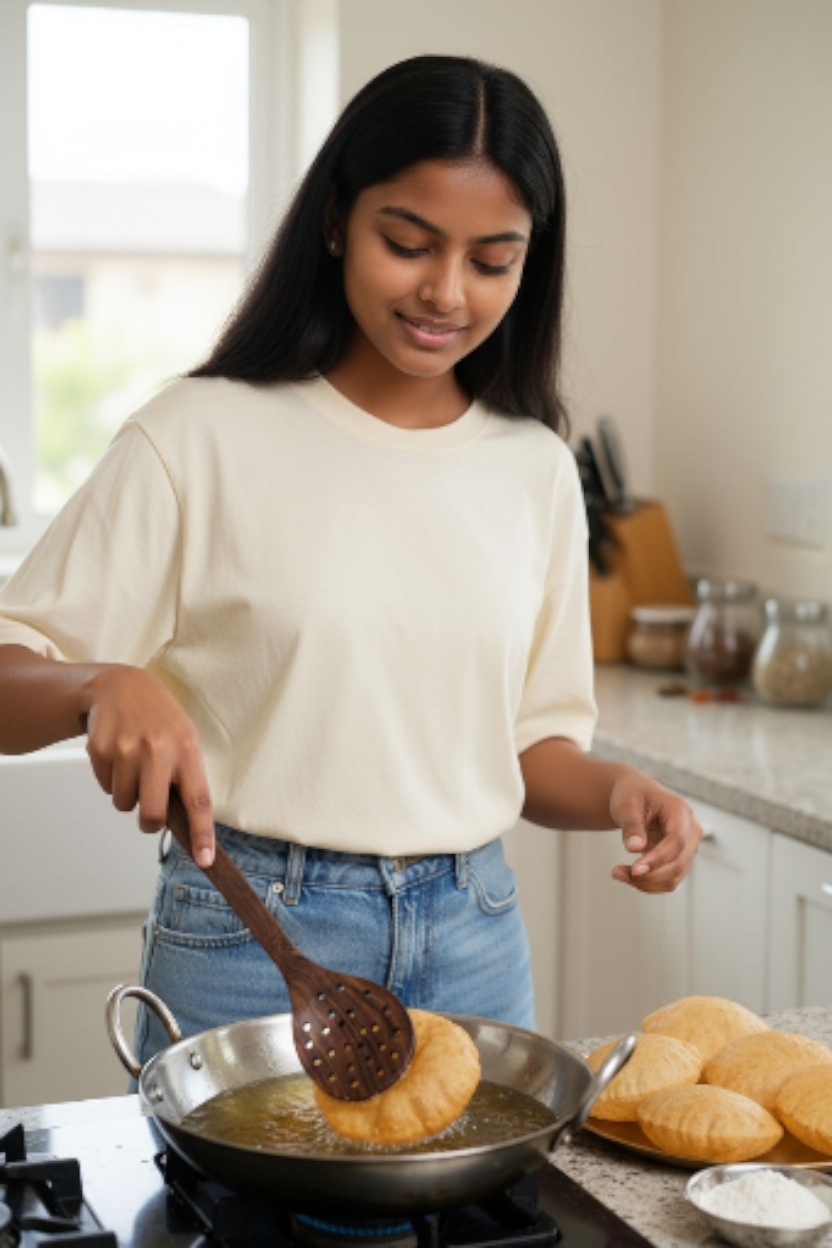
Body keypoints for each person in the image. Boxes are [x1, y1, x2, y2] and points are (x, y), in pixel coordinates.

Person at [0, 55, 702, 1064]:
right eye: (407, 243)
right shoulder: (200, 435)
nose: (445, 292)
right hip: (255, 937)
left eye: (492, 260)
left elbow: (527, 751)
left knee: (482, 1227)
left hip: (475, 933)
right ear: (336, 220)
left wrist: (618, 793)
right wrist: (97, 683)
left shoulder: (535, 469)